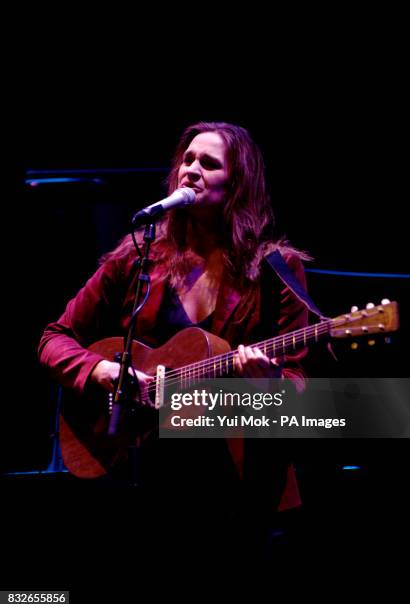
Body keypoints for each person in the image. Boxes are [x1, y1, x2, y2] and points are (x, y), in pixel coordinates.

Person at [38, 121, 310, 560]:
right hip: (140, 478)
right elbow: (55, 338)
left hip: (235, 488)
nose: (191, 170)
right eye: (186, 160)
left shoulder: (277, 270)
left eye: (208, 163)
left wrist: (269, 384)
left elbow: (300, 388)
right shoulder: (137, 259)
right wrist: (99, 369)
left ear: (239, 183)